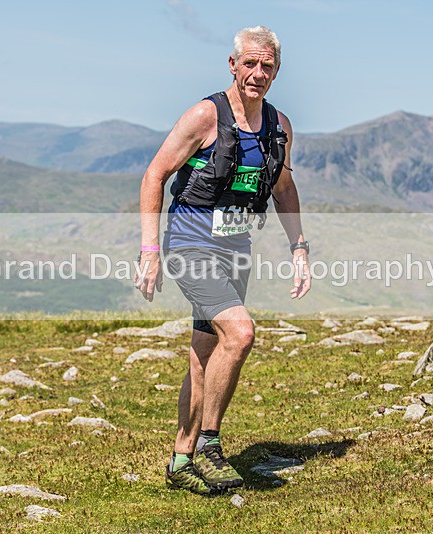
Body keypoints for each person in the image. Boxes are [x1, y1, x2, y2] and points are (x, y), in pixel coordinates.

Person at [136, 25, 311, 496]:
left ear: (277, 72)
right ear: (233, 65)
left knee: (205, 354)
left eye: (267, 66)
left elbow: (283, 189)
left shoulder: (279, 126)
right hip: (190, 244)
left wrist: (299, 248)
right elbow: (154, 175)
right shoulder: (204, 116)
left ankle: (181, 460)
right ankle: (211, 445)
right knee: (240, 332)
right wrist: (150, 251)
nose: (257, 73)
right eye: (249, 63)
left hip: (236, 248)